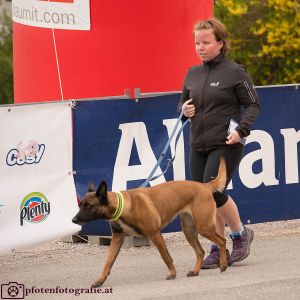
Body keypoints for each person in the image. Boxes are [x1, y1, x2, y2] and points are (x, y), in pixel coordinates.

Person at [177, 17, 260, 269]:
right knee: (203, 197)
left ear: (220, 43)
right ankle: (218, 246)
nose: (200, 47)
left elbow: (253, 104)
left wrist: (241, 130)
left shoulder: (235, 72)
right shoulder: (193, 72)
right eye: (196, 43)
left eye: (205, 42)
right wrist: (185, 110)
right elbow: (182, 104)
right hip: (198, 143)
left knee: (214, 191)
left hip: (226, 142)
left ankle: (240, 235)